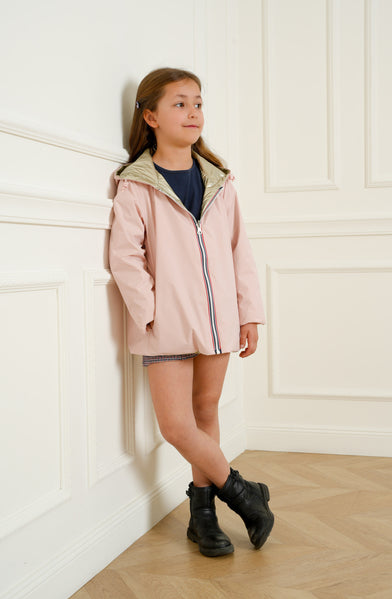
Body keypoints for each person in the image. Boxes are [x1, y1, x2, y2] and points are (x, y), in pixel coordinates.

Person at [109, 67, 274, 557]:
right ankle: (245, 495)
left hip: (220, 319)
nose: (193, 112)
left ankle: (203, 518)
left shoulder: (220, 182)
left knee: (205, 413)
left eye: (197, 103)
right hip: (165, 323)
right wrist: (149, 312)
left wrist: (248, 313)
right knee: (176, 426)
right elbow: (126, 256)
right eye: (179, 103)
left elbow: (240, 252)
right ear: (151, 116)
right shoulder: (137, 185)